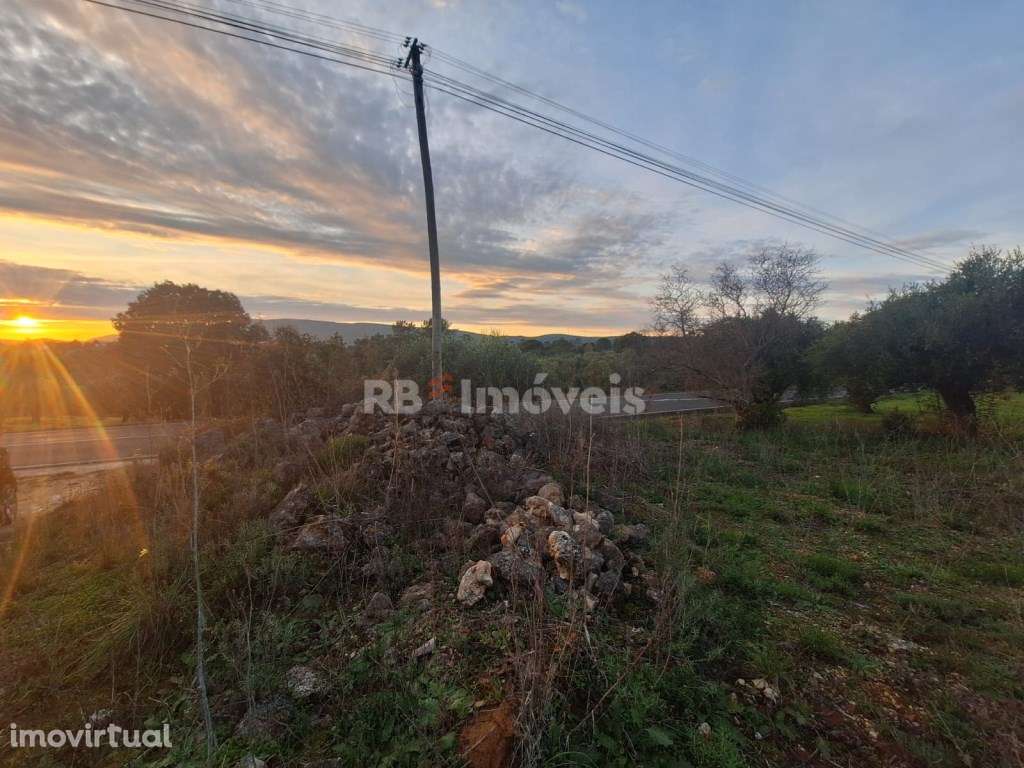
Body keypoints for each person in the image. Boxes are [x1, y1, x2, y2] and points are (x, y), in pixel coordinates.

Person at [0, 447, 16, 527]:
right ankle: (6, 517)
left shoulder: (3, 452)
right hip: (6, 480)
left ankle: (6, 517)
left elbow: (6, 466)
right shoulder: (3, 451)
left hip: (5, 480)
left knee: (4, 499)